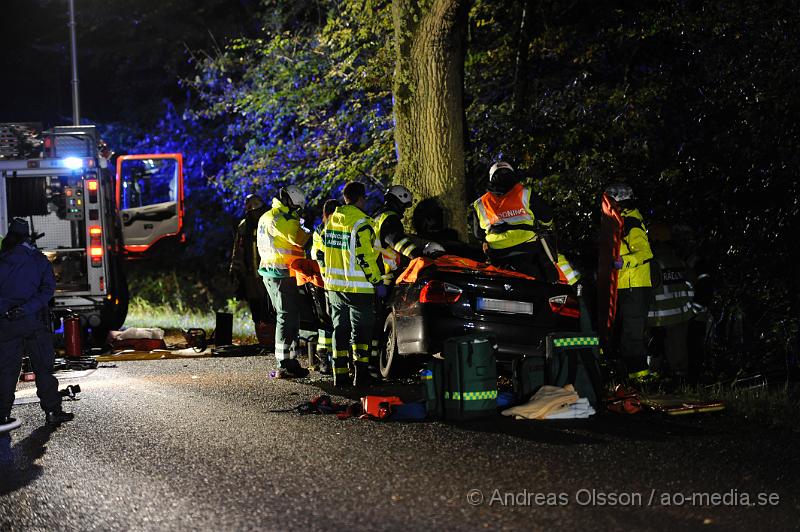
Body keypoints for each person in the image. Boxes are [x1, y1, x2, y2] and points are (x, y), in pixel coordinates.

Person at [1, 219, 74, 432]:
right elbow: (47, 291)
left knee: (6, 371)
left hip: (6, 324)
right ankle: (52, 412)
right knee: (43, 369)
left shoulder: (2, 260)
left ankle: (2, 415)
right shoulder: (39, 260)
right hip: (34, 323)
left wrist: (6, 311)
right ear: (27, 237)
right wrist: (27, 309)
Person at [322, 182, 386, 387]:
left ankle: (339, 375)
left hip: (334, 287)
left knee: (339, 330)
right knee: (362, 332)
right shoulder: (361, 224)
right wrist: (377, 282)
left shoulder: (332, 221)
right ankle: (361, 374)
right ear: (360, 198)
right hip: (358, 288)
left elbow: (324, 252)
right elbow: (365, 257)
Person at [472, 161, 560, 282]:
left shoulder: (480, 203)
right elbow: (547, 216)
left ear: (491, 178)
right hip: (528, 249)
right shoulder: (525, 193)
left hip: (497, 253)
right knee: (546, 277)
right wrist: (545, 226)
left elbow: (478, 234)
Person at [257, 186, 311, 379]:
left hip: (275, 273)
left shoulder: (268, 216)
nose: (298, 211)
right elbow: (302, 239)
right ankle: (284, 363)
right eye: (297, 208)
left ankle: (290, 361)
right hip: (280, 273)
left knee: (290, 317)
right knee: (287, 317)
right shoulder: (283, 220)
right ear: (291, 202)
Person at [605, 182, 654, 383]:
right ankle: (630, 377)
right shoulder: (620, 220)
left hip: (635, 286)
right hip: (624, 286)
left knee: (631, 336)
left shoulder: (631, 221)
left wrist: (623, 262)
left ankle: (642, 380)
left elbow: (645, 252)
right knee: (622, 335)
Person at [646, 223, 694, 379]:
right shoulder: (679, 261)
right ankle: (682, 383)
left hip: (659, 319)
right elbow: (690, 285)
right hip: (681, 316)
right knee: (679, 355)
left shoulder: (652, 263)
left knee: (654, 353)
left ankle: (653, 383)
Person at [230, 194, 275, 344]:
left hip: (269, 274)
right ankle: (264, 340)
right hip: (251, 277)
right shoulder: (244, 226)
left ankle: (272, 341)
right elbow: (238, 250)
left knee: (270, 308)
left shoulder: (270, 222)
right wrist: (236, 270)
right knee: (256, 310)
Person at [310, 199, 341, 374]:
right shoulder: (323, 231)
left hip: (328, 282)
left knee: (330, 322)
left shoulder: (320, 231)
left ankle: (328, 360)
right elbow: (318, 256)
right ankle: (324, 358)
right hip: (326, 283)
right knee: (328, 322)